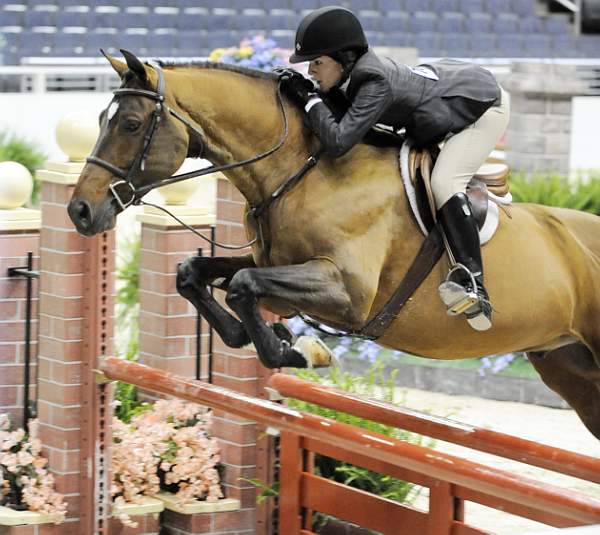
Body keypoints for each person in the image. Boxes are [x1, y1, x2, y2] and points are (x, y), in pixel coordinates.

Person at [277, 5, 510, 332]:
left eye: (317, 63)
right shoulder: (353, 75)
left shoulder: (374, 81)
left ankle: (474, 284)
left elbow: (339, 141)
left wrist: (310, 100)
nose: (311, 71)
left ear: (344, 59)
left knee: (445, 182)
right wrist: (306, 95)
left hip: (482, 110)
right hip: (438, 95)